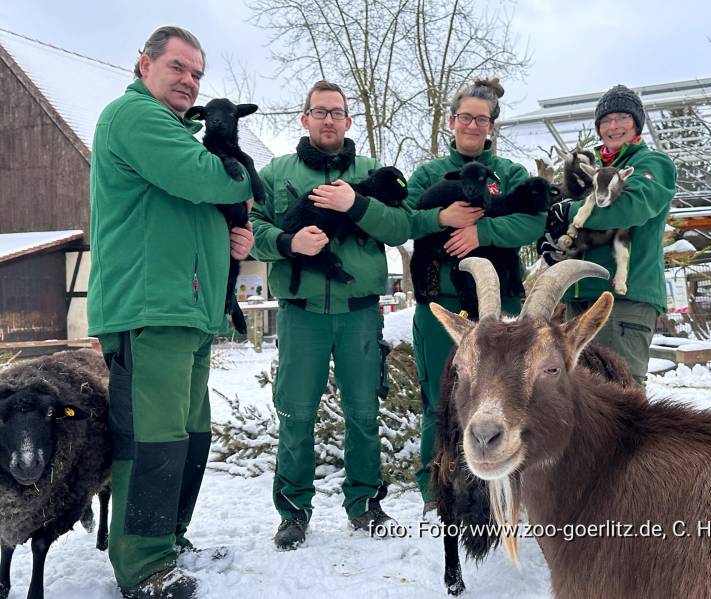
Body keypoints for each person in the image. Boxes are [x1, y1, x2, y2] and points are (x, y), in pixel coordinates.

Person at [87, 26, 255, 599]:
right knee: (152, 439)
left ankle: (170, 539)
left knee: (190, 436)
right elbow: (203, 176)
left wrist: (236, 235)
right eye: (179, 68)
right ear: (144, 65)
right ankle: (142, 565)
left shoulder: (179, 130)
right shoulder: (135, 118)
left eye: (197, 75)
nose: (189, 82)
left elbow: (207, 200)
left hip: (189, 312)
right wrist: (234, 183)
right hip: (148, 309)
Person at [249, 80, 411, 550]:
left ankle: (364, 505)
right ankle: (293, 511)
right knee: (296, 414)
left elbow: (401, 223)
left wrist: (355, 205)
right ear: (304, 119)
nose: (328, 120)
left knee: (363, 412)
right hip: (301, 315)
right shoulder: (277, 172)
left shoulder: (373, 171)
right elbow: (250, 228)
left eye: (336, 112)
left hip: (359, 313)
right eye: (319, 112)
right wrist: (288, 242)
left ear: (348, 121)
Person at [406, 78, 546, 515]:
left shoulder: (511, 175)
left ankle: (508, 483)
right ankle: (437, 483)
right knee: (441, 395)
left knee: (505, 395)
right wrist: (441, 217)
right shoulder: (429, 174)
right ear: (451, 122)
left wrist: (480, 231)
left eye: (480, 119)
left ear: (491, 127)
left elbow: (532, 223)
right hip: (442, 302)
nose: (471, 125)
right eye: (464, 117)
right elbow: (404, 220)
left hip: (499, 310)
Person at [541, 84, 677, 385]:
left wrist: (572, 211)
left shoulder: (650, 163)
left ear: (636, 123)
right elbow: (578, 226)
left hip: (622, 299)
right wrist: (555, 244)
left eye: (622, 118)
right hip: (582, 297)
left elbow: (630, 206)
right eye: (605, 121)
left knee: (620, 391)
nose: (613, 126)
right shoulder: (594, 171)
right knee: (583, 396)